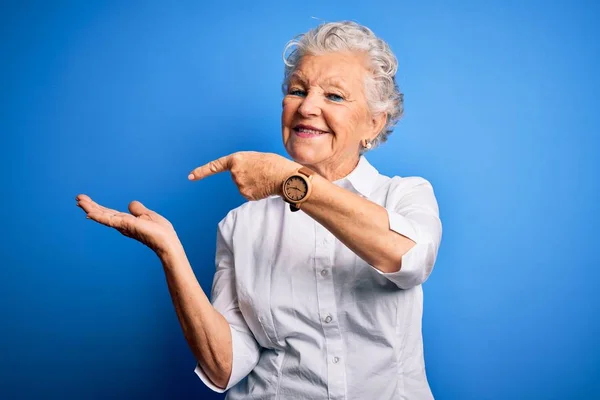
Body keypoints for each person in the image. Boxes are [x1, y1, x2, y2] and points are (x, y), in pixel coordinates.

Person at [76, 21, 442, 400]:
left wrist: (291, 181)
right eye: (297, 91)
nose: (307, 107)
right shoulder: (241, 224)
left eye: (334, 96)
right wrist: (170, 251)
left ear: (374, 122)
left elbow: (407, 257)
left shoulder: (405, 195)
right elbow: (224, 367)